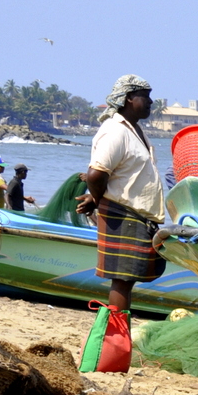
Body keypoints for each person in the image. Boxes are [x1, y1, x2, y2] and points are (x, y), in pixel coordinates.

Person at [77, 74, 167, 372]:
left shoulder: (135, 131)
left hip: (136, 214)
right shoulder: (115, 130)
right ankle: (113, 343)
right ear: (130, 98)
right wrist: (99, 197)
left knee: (126, 280)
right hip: (124, 214)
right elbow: (96, 173)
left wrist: (94, 198)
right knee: (122, 279)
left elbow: (118, 176)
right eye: (146, 95)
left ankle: (115, 343)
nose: (151, 102)